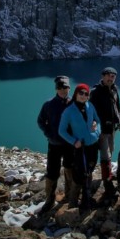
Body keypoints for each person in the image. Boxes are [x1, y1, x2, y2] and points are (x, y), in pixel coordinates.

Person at [59, 83, 102, 212]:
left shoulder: (90, 106)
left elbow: (98, 121)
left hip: (92, 145)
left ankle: (85, 200)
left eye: (86, 94)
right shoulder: (69, 110)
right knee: (78, 175)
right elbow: (61, 131)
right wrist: (74, 141)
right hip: (80, 147)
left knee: (89, 170)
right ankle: (72, 204)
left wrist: (96, 133)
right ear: (76, 94)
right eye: (81, 93)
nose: (83, 96)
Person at [36, 75, 71, 212]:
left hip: (70, 144)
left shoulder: (74, 103)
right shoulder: (48, 104)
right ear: (56, 89)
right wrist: (49, 134)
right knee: (52, 172)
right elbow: (40, 121)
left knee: (70, 169)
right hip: (55, 144)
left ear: (69, 88)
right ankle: (49, 200)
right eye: (60, 88)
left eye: (65, 87)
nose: (63, 90)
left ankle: (69, 197)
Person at [89, 66, 120, 197]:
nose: (110, 78)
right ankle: (107, 181)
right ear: (103, 76)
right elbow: (91, 110)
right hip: (101, 129)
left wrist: (119, 117)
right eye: (108, 75)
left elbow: (117, 105)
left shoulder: (114, 89)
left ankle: (107, 174)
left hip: (112, 128)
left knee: (110, 151)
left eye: (113, 76)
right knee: (105, 154)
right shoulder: (95, 92)